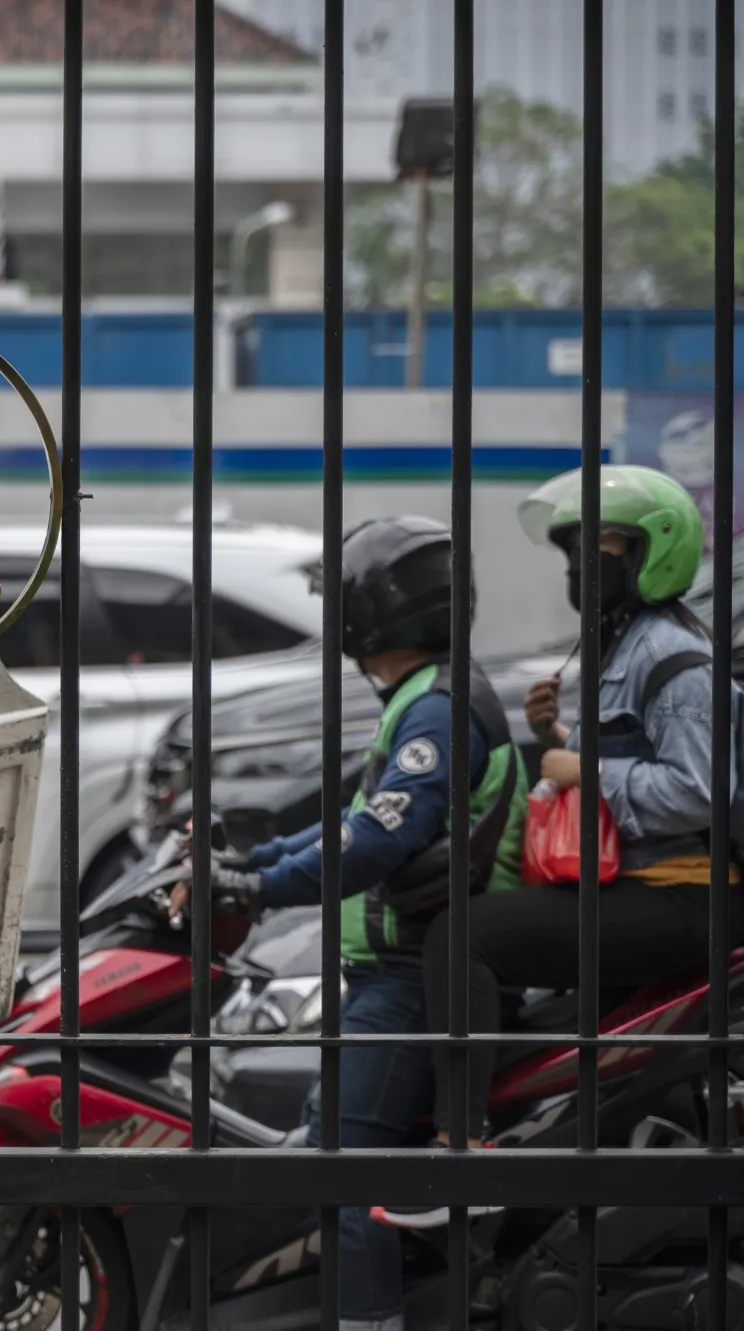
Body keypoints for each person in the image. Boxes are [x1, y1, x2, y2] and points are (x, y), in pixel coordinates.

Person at [170, 517, 526, 1331]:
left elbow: (375, 841)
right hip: (387, 976)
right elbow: (355, 818)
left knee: (341, 1171)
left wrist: (259, 890)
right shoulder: (421, 697)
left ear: (374, 613)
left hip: (404, 984)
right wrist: (254, 860)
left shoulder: (436, 710)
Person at [388, 465, 744, 1193]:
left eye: (599, 546)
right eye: (571, 551)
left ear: (653, 551)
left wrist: (583, 771)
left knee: (464, 936)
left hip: (687, 894)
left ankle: (462, 1154)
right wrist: (557, 733)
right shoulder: (628, 642)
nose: (582, 567)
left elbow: (700, 791)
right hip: (641, 882)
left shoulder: (675, 658)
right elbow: (628, 751)